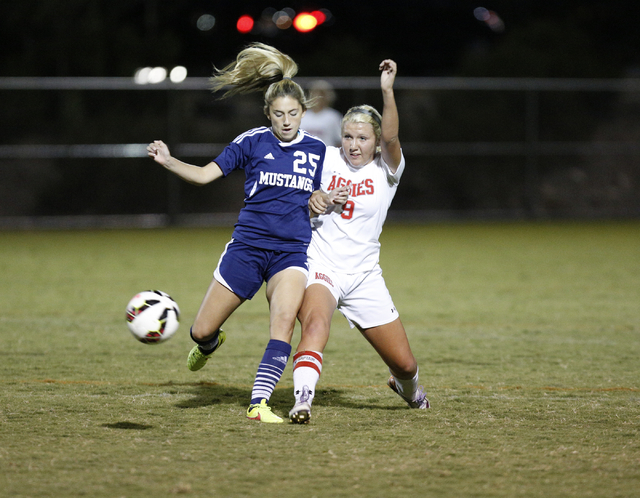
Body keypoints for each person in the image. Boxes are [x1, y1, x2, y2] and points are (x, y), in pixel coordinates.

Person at [147, 43, 339, 424]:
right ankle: (209, 342)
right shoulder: (250, 141)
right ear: (268, 113)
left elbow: (327, 195)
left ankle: (259, 403)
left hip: (291, 252)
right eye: (279, 114)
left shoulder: (319, 150)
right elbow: (204, 175)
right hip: (247, 249)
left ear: (304, 112)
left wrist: (324, 199)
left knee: (284, 320)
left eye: (293, 114)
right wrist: (169, 161)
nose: (286, 121)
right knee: (200, 330)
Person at [289, 60, 430, 424]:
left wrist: (387, 91)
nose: (354, 145)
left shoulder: (386, 169)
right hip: (321, 265)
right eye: (348, 136)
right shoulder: (325, 159)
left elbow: (393, 138)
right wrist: (313, 200)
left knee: (404, 363)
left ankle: (408, 389)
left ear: (375, 140)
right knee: (316, 325)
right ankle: (302, 399)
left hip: (365, 274)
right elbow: (296, 201)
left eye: (363, 138)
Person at [300, 80, 343, 147]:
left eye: (321, 94)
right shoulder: (302, 116)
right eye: (315, 93)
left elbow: (340, 141)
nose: (317, 97)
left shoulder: (334, 116)